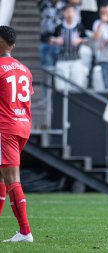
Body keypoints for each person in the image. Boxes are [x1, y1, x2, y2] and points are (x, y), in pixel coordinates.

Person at [0, 26, 34, 242]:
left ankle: (25, 231)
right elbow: (27, 98)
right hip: (23, 125)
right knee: (2, 177)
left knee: (12, 179)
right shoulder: (24, 69)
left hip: (5, 127)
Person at [50, 4, 88, 91]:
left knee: (77, 85)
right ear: (64, 13)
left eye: (71, 11)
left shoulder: (79, 27)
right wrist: (56, 40)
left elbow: (87, 40)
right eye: (67, 12)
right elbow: (50, 39)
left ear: (74, 13)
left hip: (76, 59)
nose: (69, 14)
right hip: (62, 60)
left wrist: (80, 41)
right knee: (61, 86)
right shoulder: (59, 27)